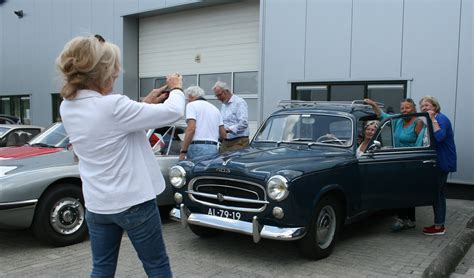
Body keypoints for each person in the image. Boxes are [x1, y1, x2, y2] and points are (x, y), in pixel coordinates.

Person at [57, 35, 185, 277]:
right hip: (133, 202)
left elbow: (110, 124)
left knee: (102, 267)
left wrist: (145, 103)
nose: (116, 76)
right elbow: (173, 111)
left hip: (97, 204)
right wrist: (176, 87)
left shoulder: (67, 106)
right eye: (114, 71)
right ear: (101, 74)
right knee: (157, 266)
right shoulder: (113, 106)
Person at [365, 98, 424, 232]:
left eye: (407, 108)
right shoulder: (398, 121)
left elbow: (419, 144)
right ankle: (409, 220)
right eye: (402, 108)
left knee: (405, 192)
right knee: (402, 191)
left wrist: (414, 161)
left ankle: (402, 219)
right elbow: (382, 116)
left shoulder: (418, 123)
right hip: (398, 161)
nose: (404, 110)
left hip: (411, 162)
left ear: (414, 109)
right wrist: (374, 104)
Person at [419, 96, 457, 236]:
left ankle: (439, 226)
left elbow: (440, 137)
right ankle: (438, 224)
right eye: (422, 106)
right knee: (439, 193)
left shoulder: (441, 119)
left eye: (427, 105)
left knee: (437, 193)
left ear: (435, 106)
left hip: (443, 162)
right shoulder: (429, 121)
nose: (424, 108)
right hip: (438, 161)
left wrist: (433, 119)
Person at [179, 86, 226, 160]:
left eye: (188, 99)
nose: (188, 101)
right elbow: (223, 135)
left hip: (197, 146)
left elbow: (191, 129)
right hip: (213, 147)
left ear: (191, 96)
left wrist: (183, 150)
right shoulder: (215, 109)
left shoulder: (191, 105)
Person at [212, 81, 249, 152]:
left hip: (239, 141)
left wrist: (227, 130)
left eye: (219, 95)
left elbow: (243, 123)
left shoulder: (239, 102)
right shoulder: (224, 105)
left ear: (227, 91)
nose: (218, 98)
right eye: (216, 96)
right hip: (226, 141)